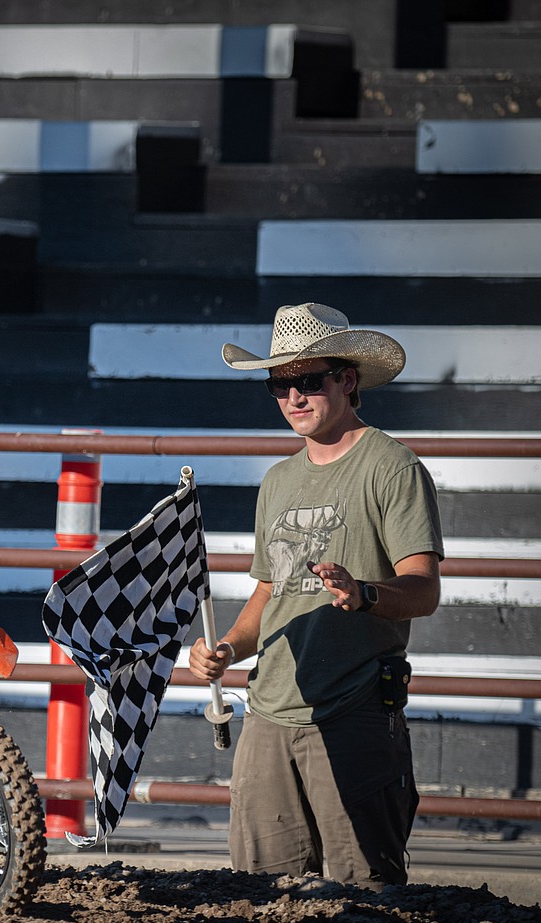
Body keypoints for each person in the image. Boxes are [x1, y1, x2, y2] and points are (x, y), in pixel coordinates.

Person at [189, 303, 443, 887]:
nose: (293, 398)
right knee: (259, 898)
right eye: (280, 385)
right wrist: (227, 648)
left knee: (368, 898)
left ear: (347, 381)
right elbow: (270, 595)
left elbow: (423, 589)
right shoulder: (278, 480)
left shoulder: (392, 467)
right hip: (268, 715)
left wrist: (367, 595)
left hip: (353, 711)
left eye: (308, 381)